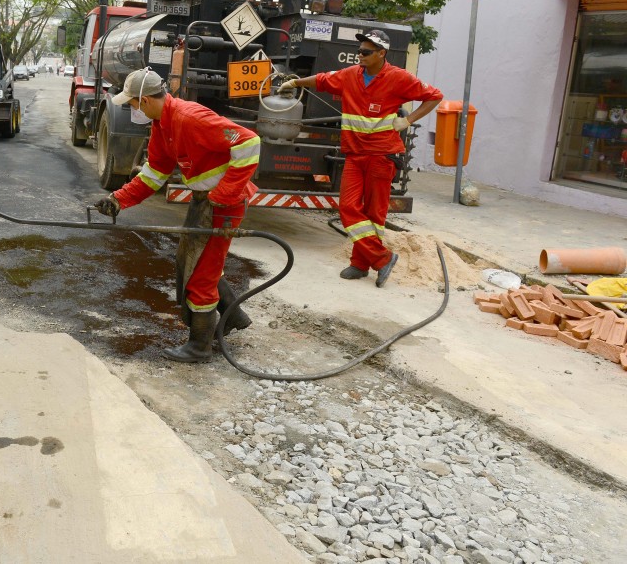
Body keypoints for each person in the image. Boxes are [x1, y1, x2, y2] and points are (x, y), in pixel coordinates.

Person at [93, 68, 261, 364]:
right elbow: (154, 175)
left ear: (144, 100)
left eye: (132, 104)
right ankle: (234, 316)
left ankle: (200, 346)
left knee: (200, 276)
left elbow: (249, 143)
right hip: (205, 202)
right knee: (191, 261)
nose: (132, 110)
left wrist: (223, 196)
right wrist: (118, 199)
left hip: (224, 205)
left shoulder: (190, 118)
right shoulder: (162, 125)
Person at [279, 29, 443, 287]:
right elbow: (322, 79)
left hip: (382, 155)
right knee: (348, 208)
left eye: (366, 52)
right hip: (355, 154)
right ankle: (382, 258)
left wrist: (408, 120)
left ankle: (360, 264)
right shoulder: (350, 76)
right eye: (359, 51)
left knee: (374, 214)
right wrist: (296, 82)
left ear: (381, 53)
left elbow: (434, 96)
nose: (360, 56)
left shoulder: (398, 78)